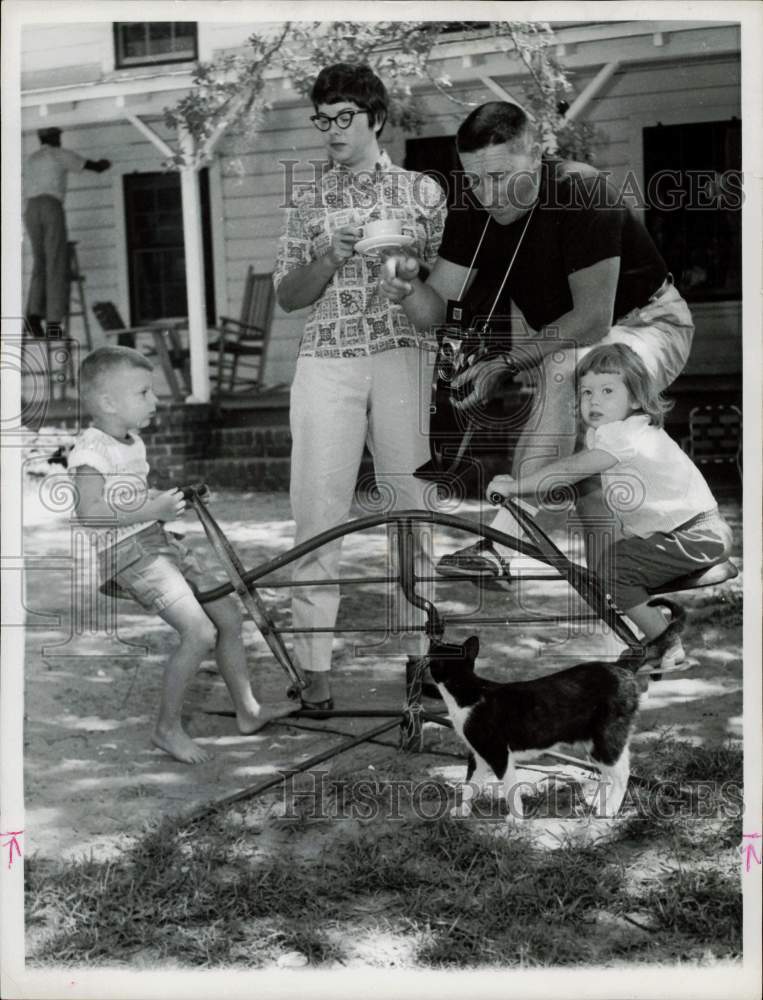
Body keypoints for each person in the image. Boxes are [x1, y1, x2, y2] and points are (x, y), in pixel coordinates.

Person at [380, 101, 695, 579]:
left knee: (575, 374)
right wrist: (406, 288)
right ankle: (642, 630)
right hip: (570, 347)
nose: (489, 193)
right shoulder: (475, 205)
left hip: (648, 324)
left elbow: (593, 318)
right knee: (592, 486)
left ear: (539, 154)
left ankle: (504, 544)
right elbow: (438, 312)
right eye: (476, 179)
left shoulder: (581, 190)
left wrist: (507, 361)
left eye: (503, 176)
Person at [273, 63, 446, 708]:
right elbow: (289, 298)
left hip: (403, 356)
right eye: (323, 119)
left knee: (411, 508)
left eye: (344, 117)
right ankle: (314, 672)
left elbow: (436, 310)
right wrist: (328, 257)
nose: (332, 130)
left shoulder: (424, 194)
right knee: (317, 511)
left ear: (376, 117)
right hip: (327, 359)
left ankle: (421, 659)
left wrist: (405, 284)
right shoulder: (305, 198)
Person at [68, 346, 295, 764]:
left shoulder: (130, 441)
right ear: (107, 402)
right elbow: (91, 513)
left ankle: (248, 710)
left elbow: (130, 496)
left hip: (154, 538)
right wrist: (151, 509)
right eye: (144, 393)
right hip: (129, 553)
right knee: (199, 633)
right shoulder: (90, 452)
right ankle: (166, 729)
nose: (155, 401)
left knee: (227, 615)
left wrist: (166, 499)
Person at [488, 343, 733, 670]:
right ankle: (647, 632)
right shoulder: (609, 434)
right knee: (612, 562)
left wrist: (515, 486)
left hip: (695, 534)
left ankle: (665, 643)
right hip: (693, 533)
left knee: (615, 567)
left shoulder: (624, 434)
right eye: (586, 392)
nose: (594, 400)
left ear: (634, 398)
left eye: (607, 390)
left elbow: (567, 471)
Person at [24, 126, 111, 338]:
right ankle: (54, 323)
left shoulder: (32, 159)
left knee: (40, 262)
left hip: (30, 209)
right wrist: (105, 163)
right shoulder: (59, 154)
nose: (60, 139)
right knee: (56, 263)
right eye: (58, 136)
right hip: (50, 205)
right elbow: (93, 167)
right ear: (53, 137)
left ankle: (33, 317)